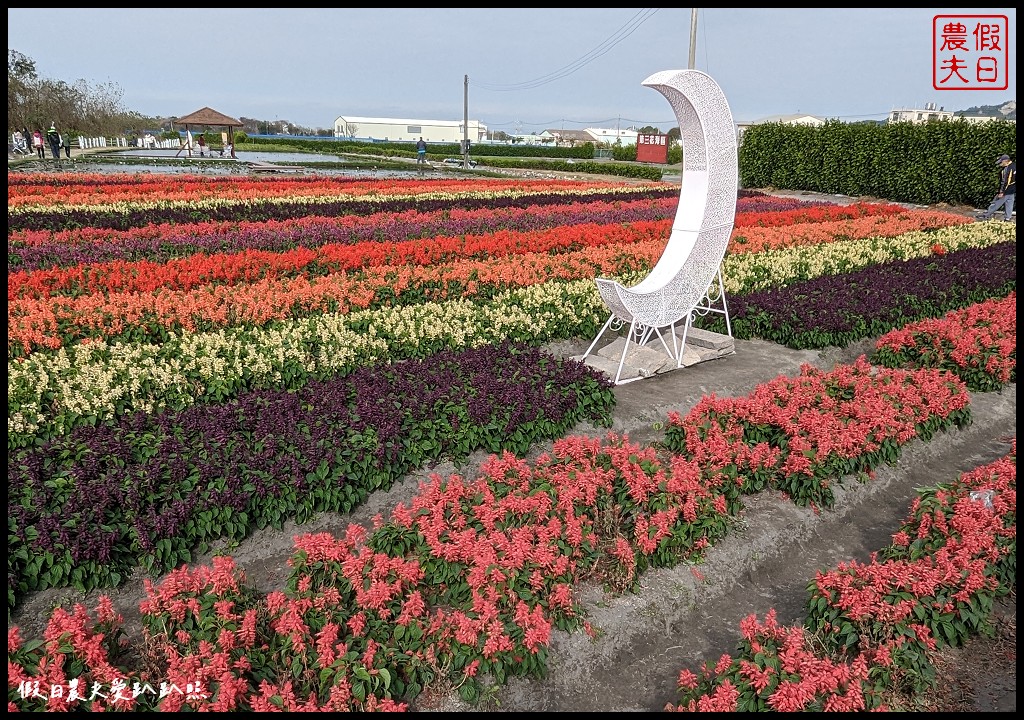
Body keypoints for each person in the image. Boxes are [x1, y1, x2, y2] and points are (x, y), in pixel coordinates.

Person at [977, 154, 1016, 222]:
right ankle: (1007, 218)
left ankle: (986, 215)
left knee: (996, 203)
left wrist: (1002, 192)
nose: (1000, 164)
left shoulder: (1007, 169)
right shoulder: (1014, 165)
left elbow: (1006, 181)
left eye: (1001, 162)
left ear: (1005, 161)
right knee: (1009, 204)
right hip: (1012, 190)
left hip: (1006, 191)